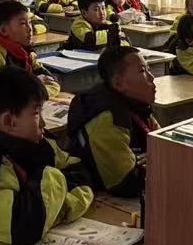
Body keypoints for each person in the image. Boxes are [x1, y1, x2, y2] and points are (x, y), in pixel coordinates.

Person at [0, 66, 92, 245]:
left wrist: (56, 209)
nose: (43, 123)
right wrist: (52, 178)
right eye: (36, 113)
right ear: (9, 121)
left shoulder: (38, 143)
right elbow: (26, 226)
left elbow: (80, 172)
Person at [67, 45, 156, 196]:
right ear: (118, 83)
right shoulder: (108, 119)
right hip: (104, 198)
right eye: (142, 71)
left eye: (149, 69)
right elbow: (126, 182)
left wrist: (156, 156)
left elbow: (163, 144)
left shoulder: (135, 104)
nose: (152, 77)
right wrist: (158, 161)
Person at [0, 0, 59, 101]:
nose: (30, 29)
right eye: (23, 23)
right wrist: (35, 85)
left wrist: (35, 90)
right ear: (4, 30)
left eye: (30, 22)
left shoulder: (24, 50)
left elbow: (50, 80)